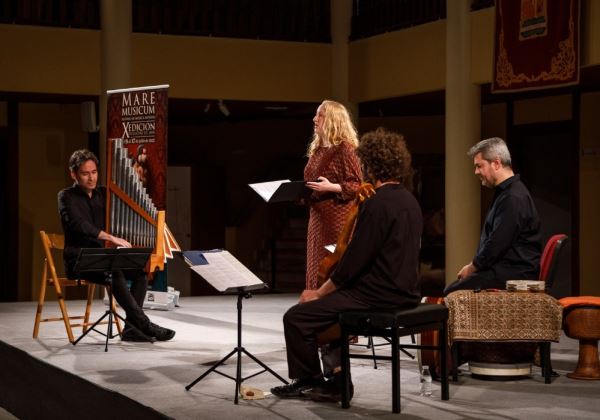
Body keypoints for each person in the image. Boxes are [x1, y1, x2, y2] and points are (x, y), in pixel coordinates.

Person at [271, 127, 422, 403]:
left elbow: (352, 264)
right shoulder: (409, 200)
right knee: (329, 311)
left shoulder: (376, 205)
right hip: (405, 291)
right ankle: (339, 378)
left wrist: (318, 293)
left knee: (297, 317)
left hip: (376, 295)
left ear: (369, 164)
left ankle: (312, 380)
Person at [58, 149, 175, 342]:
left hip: (104, 258)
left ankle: (131, 330)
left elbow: (126, 209)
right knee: (115, 273)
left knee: (140, 272)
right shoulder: (65, 196)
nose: (91, 178)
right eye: (85, 173)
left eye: (94, 172)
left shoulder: (104, 193)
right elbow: (78, 224)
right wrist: (110, 237)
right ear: (73, 174)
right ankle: (144, 324)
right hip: (79, 260)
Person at [444, 137, 542, 295]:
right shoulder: (507, 193)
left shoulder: (513, 197)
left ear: (496, 163)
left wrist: (473, 267)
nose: (476, 172)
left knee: (452, 293)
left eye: (479, 166)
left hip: (514, 274)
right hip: (505, 270)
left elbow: (497, 243)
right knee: (454, 288)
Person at [303, 100, 362, 291]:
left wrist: (332, 187)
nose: (314, 119)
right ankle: (315, 307)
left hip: (338, 218)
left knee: (333, 266)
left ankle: (332, 310)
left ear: (332, 119)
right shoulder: (318, 150)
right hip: (318, 218)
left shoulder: (346, 149)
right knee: (316, 265)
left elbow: (357, 185)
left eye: (319, 115)